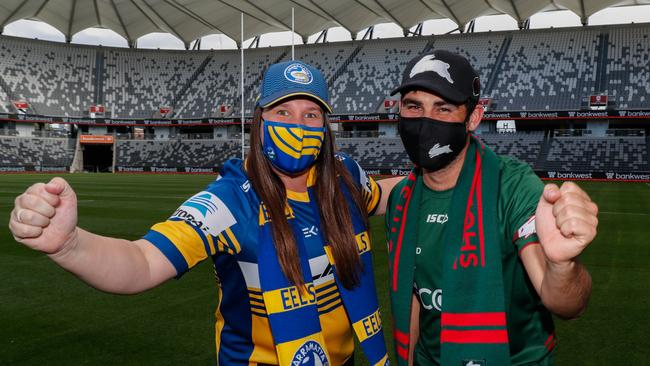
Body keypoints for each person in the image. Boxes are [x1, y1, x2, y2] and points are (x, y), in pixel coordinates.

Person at [8, 61, 394, 366]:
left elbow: (389, 196)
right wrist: (70, 246)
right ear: (260, 120)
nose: (297, 124)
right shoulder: (229, 200)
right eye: (283, 111)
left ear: (326, 126)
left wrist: (448, 179)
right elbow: (142, 261)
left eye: (311, 114)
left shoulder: (346, 177)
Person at [384, 50, 597, 366]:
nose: (425, 122)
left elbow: (566, 304)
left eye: (443, 109)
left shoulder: (515, 186)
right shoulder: (402, 199)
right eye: (414, 106)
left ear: (473, 118)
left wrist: (562, 265)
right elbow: (413, 296)